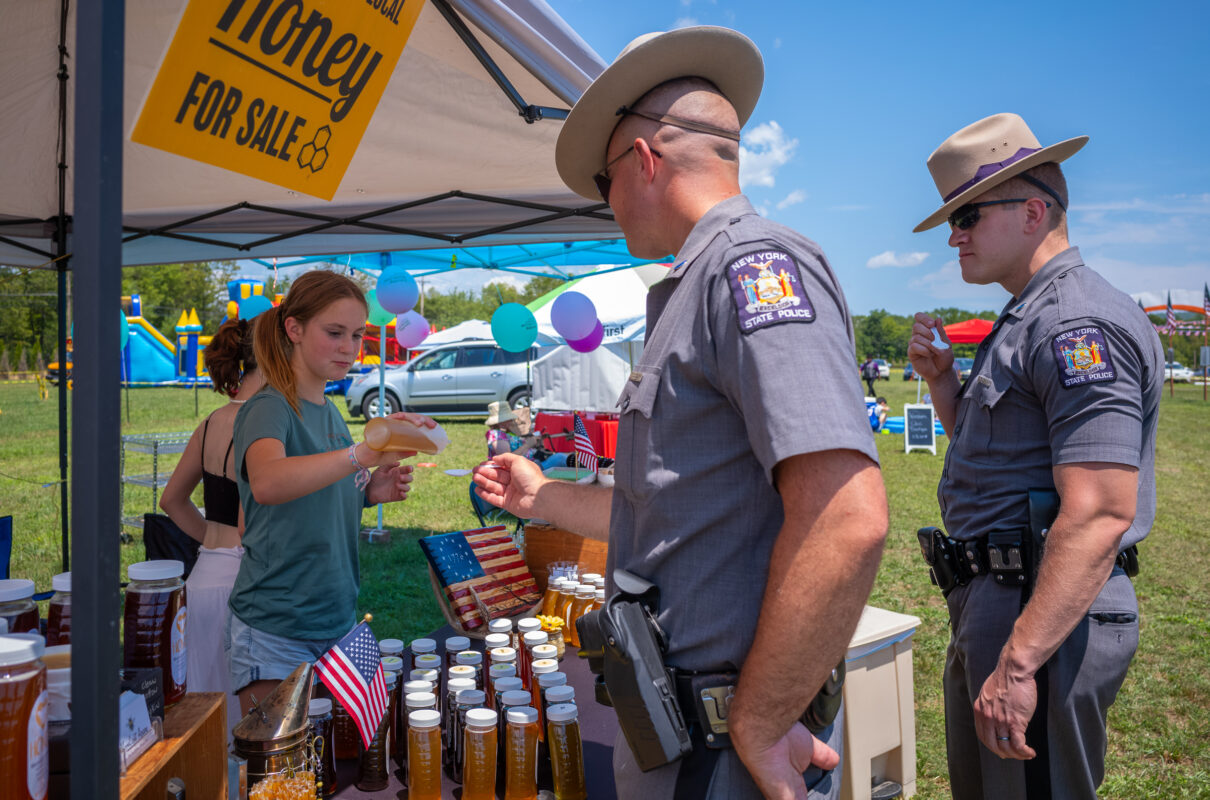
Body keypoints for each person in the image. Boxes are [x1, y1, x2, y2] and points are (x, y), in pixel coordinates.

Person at [473, 27, 887, 799]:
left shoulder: (752, 268)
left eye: (603, 183)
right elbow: (679, 505)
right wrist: (542, 499)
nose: (608, 206)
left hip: (727, 741)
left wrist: (757, 724)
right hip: (685, 726)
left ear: (643, 161)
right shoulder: (699, 284)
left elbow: (846, 516)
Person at [907, 113, 1162, 799]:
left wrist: (1019, 665)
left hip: (1040, 615)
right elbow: (999, 457)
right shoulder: (1030, 314)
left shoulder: (1075, 323)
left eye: (967, 215)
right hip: (1005, 601)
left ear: (1031, 211)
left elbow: (1101, 511)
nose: (955, 236)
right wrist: (942, 382)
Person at [227, 270, 436, 713]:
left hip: (337, 619)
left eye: (357, 335)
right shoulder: (268, 407)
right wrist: (360, 456)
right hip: (277, 627)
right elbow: (268, 482)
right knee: (280, 774)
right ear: (294, 329)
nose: (349, 347)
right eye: (335, 332)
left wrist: (369, 491)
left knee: (335, 765)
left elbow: (322, 488)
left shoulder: (330, 412)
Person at [160, 316, 264, 733]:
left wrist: (210, 539)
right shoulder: (266, 424)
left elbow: (172, 500)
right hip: (245, 581)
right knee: (248, 724)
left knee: (206, 717)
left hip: (201, 579)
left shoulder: (209, 424)